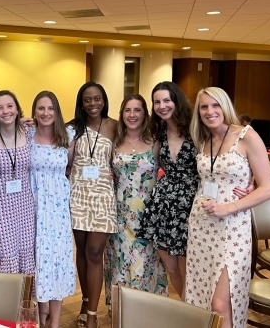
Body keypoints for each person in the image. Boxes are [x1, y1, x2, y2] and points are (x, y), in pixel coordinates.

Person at [185, 87, 270, 328]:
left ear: (226, 107)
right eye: (204, 107)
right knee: (202, 297)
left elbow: (268, 188)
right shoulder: (202, 139)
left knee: (222, 303)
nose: (210, 111)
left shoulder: (247, 135)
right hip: (201, 225)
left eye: (215, 105)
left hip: (232, 228)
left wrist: (231, 207)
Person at [104, 94, 168, 309]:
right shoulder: (115, 142)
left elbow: (172, 173)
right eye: (127, 110)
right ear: (122, 114)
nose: (132, 115)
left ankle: (146, 310)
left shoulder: (155, 142)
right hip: (119, 215)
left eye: (137, 110)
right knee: (121, 261)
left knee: (145, 262)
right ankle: (123, 312)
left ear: (145, 113)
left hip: (148, 215)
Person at [137, 81, 197, 299]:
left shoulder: (195, 128)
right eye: (157, 102)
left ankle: (196, 314)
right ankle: (186, 308)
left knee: (187, 269)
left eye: (166, 100)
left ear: (177, 101)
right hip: (163, 203)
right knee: (171, 268)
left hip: (190, 203)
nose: (162, 106)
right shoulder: (158, 130)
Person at [67, 82, 116, 328]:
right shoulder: (72, 128)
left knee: (96, 251)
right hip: (78, 194)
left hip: (104, 196)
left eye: (97, 99)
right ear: (81, 103)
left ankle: (94, 314)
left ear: (104, 100)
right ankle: (85, 302)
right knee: (83, 249)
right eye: (88, 100)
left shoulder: (114, 126)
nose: (93, 103)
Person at [29, 91, 76, 328]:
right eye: (41, 108)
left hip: (57, 210)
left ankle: (55, 323)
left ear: (57, 111)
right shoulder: (25, 135)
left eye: (50, 108)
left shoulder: (68, 136)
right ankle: (39, 317)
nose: (46, 113)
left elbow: (70, 167)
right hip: (32, 206)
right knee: (37, 262)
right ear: (34, 111)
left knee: (57, 262)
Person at [0, 90, 35, 277]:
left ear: (17, 109)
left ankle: (24, 303)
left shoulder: (29, 134)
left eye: (10, 106)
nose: (5, 111)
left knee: (26, 249)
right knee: (4, 251)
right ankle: (2, 301)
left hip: (25, 207)